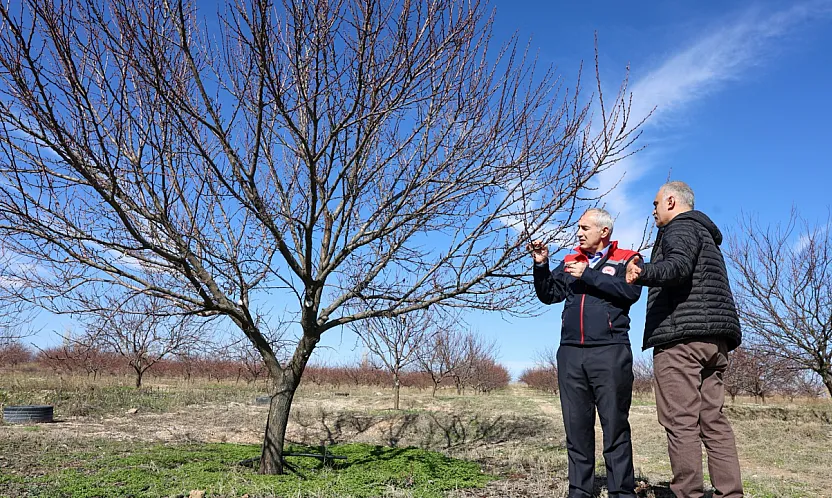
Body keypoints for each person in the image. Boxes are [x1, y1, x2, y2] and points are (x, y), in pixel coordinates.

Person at [626, 181, 743, 498]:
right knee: (713, 421)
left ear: (671, 201)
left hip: (681, 341)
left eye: (655, 204)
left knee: (681, 423)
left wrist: (643, 271)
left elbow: (677, 267)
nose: (653, 210)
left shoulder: (679, 227)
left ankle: (688, 494)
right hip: (714, 342)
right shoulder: (704, 233)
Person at [530, 208, 642, 498]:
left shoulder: (627, 258)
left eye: (584, 228)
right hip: (570, 354)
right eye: (578, 228)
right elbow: (549, 295)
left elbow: (630, 292)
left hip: (610, 352)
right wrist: (541, 265)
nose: (578, 233)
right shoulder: (570, 260)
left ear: (604, 231)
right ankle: (579, 491)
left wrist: (589, 275)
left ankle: (622, 492)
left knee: (615, 427)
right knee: (576, 427)